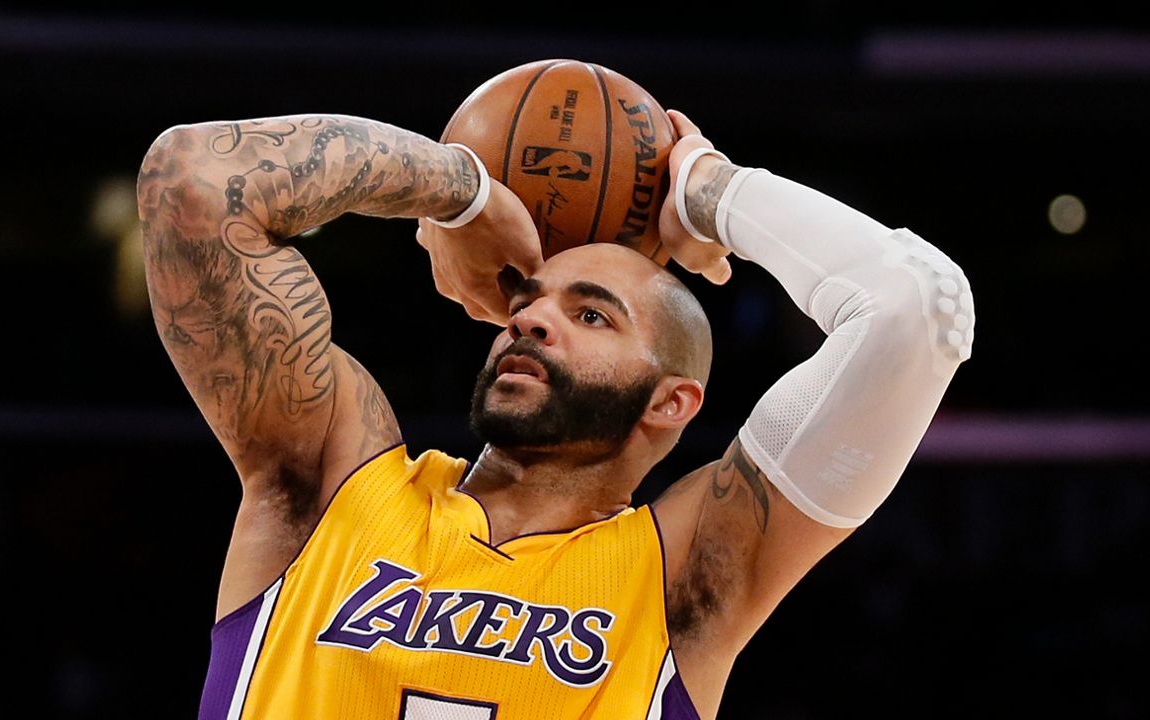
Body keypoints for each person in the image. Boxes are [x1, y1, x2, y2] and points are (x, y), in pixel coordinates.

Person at [136, 90, 974, 720]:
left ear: (671, 402)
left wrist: (710, 191)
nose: (531, 316)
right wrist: (458, 192)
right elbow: (194, 182)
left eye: (591, 314)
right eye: (530, 298)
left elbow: (916, 312)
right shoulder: (329, 486)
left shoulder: (687, 576)